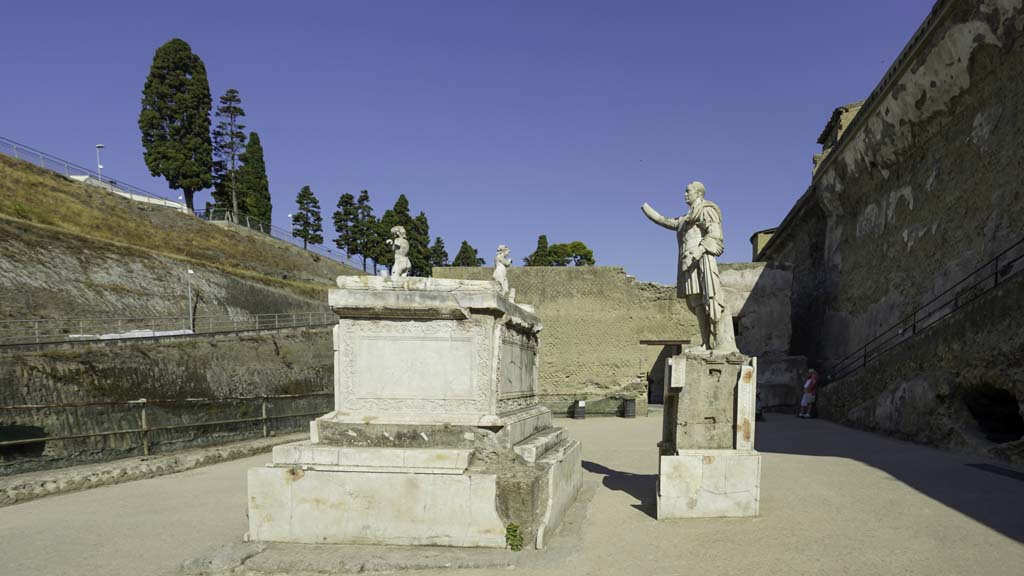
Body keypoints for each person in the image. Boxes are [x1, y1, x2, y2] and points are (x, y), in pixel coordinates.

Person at [641, 181, 737, 353]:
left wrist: (700, 251)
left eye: (688, 191)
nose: (685, 194)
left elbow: (715, 235)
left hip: (701, 261)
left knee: (709, 300)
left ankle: (717, 342)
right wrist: (647, 210)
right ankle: (706, 343)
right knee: (696, 302)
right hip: (688, 264)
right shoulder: (686, 218)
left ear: (698, 194)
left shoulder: (707, 210)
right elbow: (666, 221)